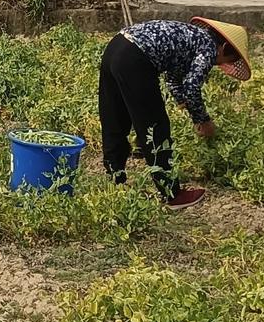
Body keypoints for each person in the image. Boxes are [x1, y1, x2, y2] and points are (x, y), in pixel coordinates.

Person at [98, 17, 251, 209]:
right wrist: (202, 120)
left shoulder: (192, 37)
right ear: (225, 48)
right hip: (136, 58)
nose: (217, 64)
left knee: (114, 116)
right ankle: (172, 194)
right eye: (228, 59)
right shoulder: (209, 48)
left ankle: (114, 178)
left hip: (116, 46)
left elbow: (174, 79)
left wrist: (182, 102)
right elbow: (191, 86)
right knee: (155, 126)